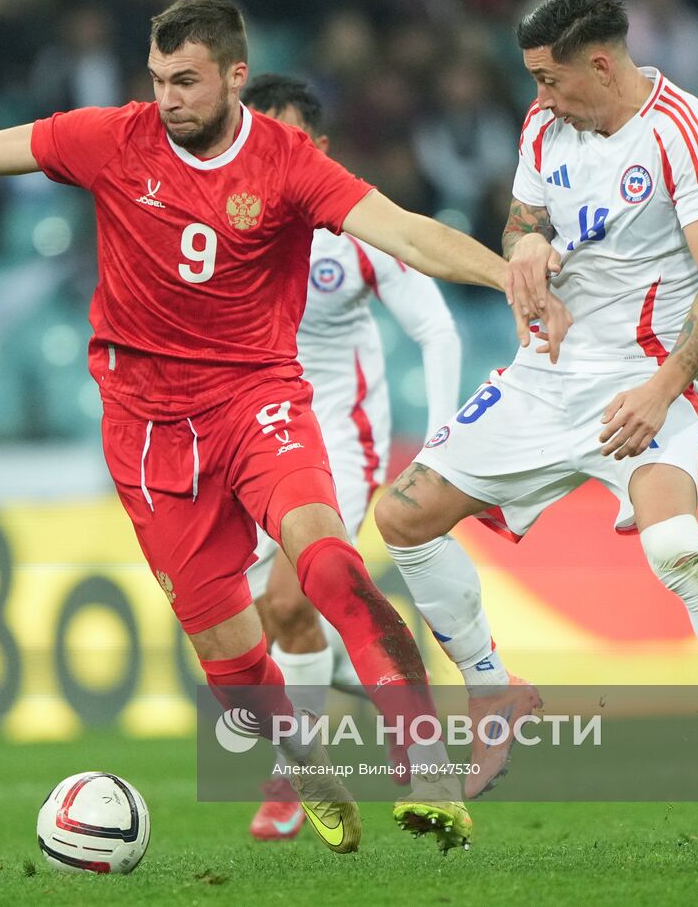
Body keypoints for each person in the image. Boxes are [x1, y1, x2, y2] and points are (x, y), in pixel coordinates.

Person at [0, 0, 572, 854]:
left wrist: (510, 278)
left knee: (329, 560)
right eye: (157, 80)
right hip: (147, 430)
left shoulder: (287, 162)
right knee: (231, 666)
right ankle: (305, 766)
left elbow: (407, 232)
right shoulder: (114, 139)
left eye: (185, 80)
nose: (168, 99)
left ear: (233, 75)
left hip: (258, 402)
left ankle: (429, 765)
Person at [372, 0, 698, 815]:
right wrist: (530, 249)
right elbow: (519, 225)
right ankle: (493, 695)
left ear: (600, 62)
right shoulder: (545, 128)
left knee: (674, 546)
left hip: (643, 377)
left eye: (550, 80)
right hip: (544, 373)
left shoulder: (681, 133)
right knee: (402, 515)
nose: (539, 97)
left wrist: (663, 392)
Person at [237, 73, 464, 842]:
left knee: (292, 599)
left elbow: (436, 330)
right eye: (253, 131)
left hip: (338, 438)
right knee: (261, 619)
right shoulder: (220, 216)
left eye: (286, 134)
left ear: (318, 147)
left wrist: (439, 444)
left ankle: (297, 775)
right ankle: (394, 684)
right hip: (245, 437)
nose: (266, 149)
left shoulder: (353, 224)